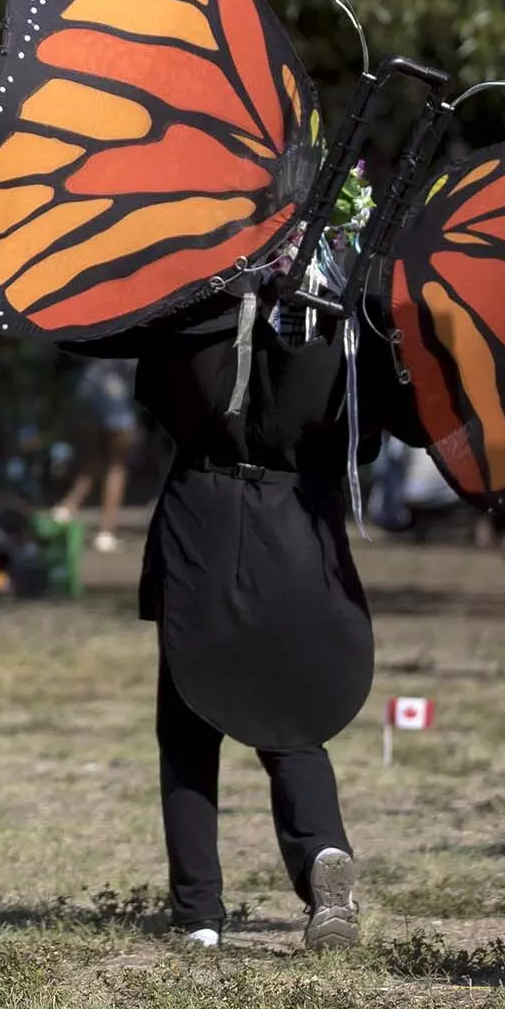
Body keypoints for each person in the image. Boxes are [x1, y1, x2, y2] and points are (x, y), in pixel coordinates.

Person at [62, 225, 419, 954]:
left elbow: (141, 374)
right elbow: (379, 430)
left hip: (203, 512)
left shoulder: (195, 294)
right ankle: (321, 850)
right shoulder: (351, 316)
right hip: (300, 525)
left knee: (189, 721)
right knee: (290, 715)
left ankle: (198, 915)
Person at [52, 356, 138, 553]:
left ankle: (67, 508)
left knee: (94, 458)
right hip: (115, 393)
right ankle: (105, 531)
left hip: (89, 387)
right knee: (117, 464)